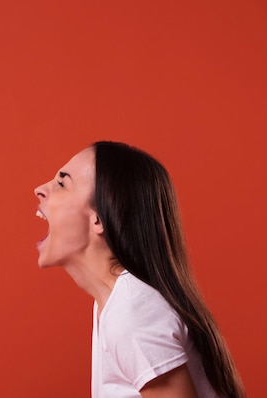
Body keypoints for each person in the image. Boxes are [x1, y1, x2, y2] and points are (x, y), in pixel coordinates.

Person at [34, 141, 246, 397]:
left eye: (62, 183)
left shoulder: (133, 311)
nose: (40, 189)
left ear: (98, 218)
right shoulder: (117, 304)